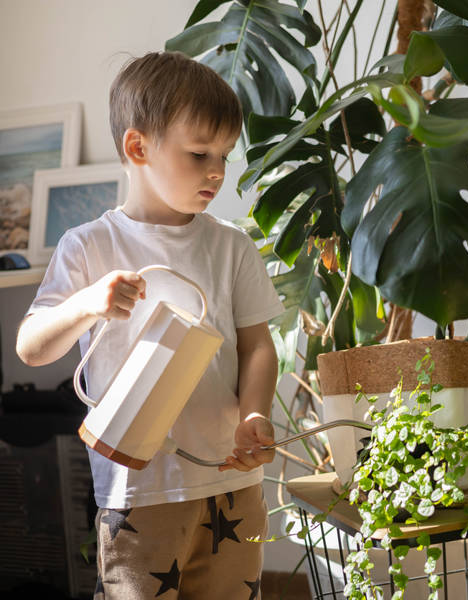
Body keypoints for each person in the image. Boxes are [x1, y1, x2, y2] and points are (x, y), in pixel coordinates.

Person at [16, 51, 284, 599]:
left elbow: (257, 345)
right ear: (138, 147)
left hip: (234, 481)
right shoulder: (89, 245)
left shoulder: (231, 246)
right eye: (199, 153)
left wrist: (254, 412)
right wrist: (88, 303)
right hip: (141, 491)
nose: (216, 171)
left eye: (225, 156)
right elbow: (31, 347)